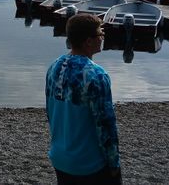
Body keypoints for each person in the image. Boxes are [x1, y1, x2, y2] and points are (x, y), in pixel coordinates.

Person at [45, 13, 121, 184]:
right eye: (100, 34)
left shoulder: (54, 67)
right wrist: (114, 162)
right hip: (88, 164)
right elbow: (105, 125)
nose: (102, 37)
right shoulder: (96, 75)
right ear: (88, 41)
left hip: (60, 157)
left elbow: (50, 112)